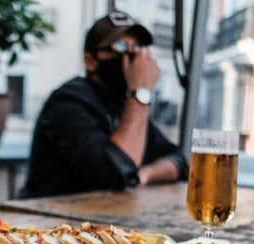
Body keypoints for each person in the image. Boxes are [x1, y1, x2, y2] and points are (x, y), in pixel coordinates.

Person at [19, 11, 188, 199]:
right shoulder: (68, 102)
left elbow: (179, 161)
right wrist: (140, 91)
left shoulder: (122, 103)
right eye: (120, 46)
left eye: (137, 47)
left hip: (98, 220)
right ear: (90, 61)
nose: (131, 56)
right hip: (46, 221)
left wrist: (144, 174)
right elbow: (117, 173)